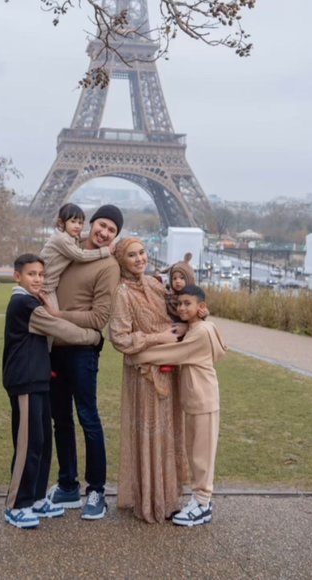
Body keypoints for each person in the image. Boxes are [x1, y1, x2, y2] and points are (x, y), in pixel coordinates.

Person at [2, 253, 102, 529]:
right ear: (18, 276)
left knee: (42, 440)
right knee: (28, 443)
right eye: (31, 274)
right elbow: (60, 329)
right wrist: (94, 336)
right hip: (25, 381)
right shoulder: (23, 303)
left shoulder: (31, 301)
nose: (38, 279)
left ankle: (34, 497)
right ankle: (16, 504)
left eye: (41, 275)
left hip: (38, 379)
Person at [44, 204, 123, 521]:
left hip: (81, 352)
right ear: (91, 223)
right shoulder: (69, 249)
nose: (104, 233)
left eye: (112, 231)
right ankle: (67, 485)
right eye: (102, 225)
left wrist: (58, 316)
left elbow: (99, 318)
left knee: (88, 417)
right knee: (60, 419)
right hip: (53, 348)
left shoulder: (108, 266)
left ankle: (97, 491)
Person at [130, 284, 228, 527]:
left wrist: (135, 355)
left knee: (202, 455)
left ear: (201, 307)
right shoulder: (198, 328)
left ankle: (203, 504)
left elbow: (172, 353)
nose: (182, 308)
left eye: (188, 304)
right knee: (195, 453)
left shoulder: (201, 332)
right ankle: (199, 499)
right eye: (180, 303)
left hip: (203, 399)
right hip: (196, 399)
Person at [108, 237, 188, 524]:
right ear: (121, 261)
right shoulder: (122, 293)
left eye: (142, 252)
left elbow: (176, 312)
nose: (140, 258)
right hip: (144, 374)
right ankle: (151, 499)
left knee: (168, 433)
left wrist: (182, 322)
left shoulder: (156, 285)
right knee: (150, 434)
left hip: (169, 368)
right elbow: (119, 338)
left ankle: (168, 497)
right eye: (132, 255)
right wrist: (159, 338)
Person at [40, 202, 115, 308]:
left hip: (49, 284)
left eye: (80, 223)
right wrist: (105, 251)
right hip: (46, 286)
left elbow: (82, 236)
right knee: (52, 316)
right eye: (73, 221)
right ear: (61, 223)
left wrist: (97, 233)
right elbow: (80, 256)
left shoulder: (69, 235)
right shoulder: (61, 239)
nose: (77, 226)